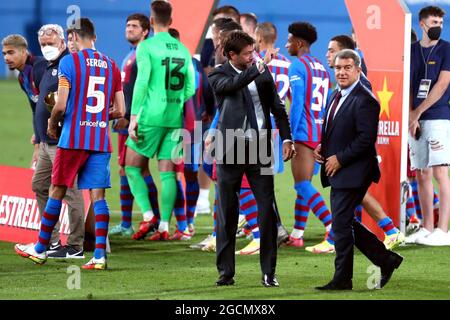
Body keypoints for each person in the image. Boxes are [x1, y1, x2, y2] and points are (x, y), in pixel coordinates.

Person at [15, 17, 125, 269]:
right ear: (94, 37)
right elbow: (120, 111)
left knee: (57, 189)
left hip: (73, 138)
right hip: (99, 139)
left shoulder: (69, 62)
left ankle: (41, 248)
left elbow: (61, 105)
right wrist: (96, 116)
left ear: (73, 38)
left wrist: (52, 124)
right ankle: (99, 257)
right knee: (98, 197)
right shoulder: (111, 65)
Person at [208, 30, 295, 287]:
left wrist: (287, 138)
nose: (252, 56)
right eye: (246, 54)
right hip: (229, 146)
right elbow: (232, 86)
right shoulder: (218, 74)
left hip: (259, 147)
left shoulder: (259, 70)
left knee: (266, 209)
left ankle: (269, 272)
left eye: (253, 52)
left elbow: (277, 107)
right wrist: (257, 68)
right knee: (227, 211)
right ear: (231, 55)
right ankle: (226, 273)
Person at [313, 49, 403, 290]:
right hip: (340, 169)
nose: (341, 72)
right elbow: (338, 129)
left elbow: (365, 139)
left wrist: (339, 159)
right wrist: (323, 147)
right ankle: (386, 260)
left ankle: (343, 279)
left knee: (341, 225)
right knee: (345, 222)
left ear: (358, 70)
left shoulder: (366, 99)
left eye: (347, 68)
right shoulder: (336, 94)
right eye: (338, 68)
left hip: (355, 171)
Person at [325, 34, 405, 250]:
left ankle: (385, 233)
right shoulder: (339, 90)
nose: (328, 55)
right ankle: (384, 243)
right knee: (348, 211)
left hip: (353, 160)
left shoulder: (361, 90)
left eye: (332, 50)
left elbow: (363, 135)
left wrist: (340, 157)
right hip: (344, 157)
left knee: (349, 207)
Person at [14, 25, 86, 259]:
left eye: (51, 43)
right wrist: (38, 136)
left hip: (63, 140)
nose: (47, 48)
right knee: (40, 185)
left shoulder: (69, 64)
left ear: (63, 43)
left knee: (70, 191)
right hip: (47, 142)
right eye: (43, 44)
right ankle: (52, 240)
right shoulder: (47, 67)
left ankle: (75, 245)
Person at [125, 0, 195, 241]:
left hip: (150, 117)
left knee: (130, 166)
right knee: (168, 174)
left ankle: (147, 215)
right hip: (175, 119)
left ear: (151, 21)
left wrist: (134, 117)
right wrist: (173, 102)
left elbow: (142, 82)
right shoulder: (183, 49)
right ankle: (165, 226)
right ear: (171, 21)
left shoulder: (146, 47)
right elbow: (190, 87)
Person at [108, 13, 161, 240]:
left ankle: (135, 222)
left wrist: (130, 116)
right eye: (127, 25)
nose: (129, 29)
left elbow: (145, 88)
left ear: (146, 30)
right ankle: (149, 221)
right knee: (137, 170)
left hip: (135, 119)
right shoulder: (131, 54)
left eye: (134, 26)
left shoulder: (144, 53)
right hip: (129, 117)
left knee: (129, 169)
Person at [285, 22, 335, 253]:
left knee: (302, 184)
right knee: (304, 186)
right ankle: (297, 234)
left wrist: (291, 136)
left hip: (304, 133)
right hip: (319, 132)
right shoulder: (322, 67)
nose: (286, 45)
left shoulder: (297, 66)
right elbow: (326, 104)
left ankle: (331, 226)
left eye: (289, 41)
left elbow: (296, 104)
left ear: (300, 43)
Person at [406, 5, 450, 246]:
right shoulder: (411, 50)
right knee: (422, 172)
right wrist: (411, 115)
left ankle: (443, 230)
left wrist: (417, 112)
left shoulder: (447, 49)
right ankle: (426, 227)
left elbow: (442, 84)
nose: (438, 27)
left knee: (440, 171)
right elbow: (408, 85)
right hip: (416, 118)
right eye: (434, 22)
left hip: (437, 116)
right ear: (422, 24)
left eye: (441, 23)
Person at [2, 34, 46, 168]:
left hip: (59, 134)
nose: (6, 58)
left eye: (10, 52)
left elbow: (51, 105)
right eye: (4, 54)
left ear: (23, 51)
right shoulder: (22, 77)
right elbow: (36, 110)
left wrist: (42, 139)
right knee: (39, 183)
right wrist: (37, 146)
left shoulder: (40, 68)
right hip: (46, 134)